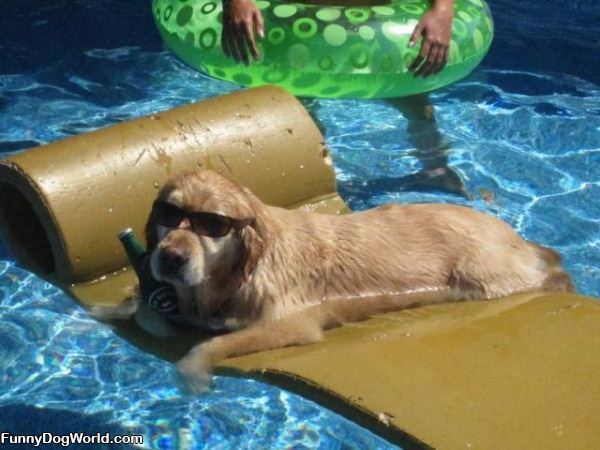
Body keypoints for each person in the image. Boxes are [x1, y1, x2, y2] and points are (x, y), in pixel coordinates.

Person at [220, 0, 465, 195]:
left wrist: (442, 10)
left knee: (413, 98)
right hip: (293, 27)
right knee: (293, 113)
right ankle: (308, 184)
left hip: (373, 23)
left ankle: (436, 167)